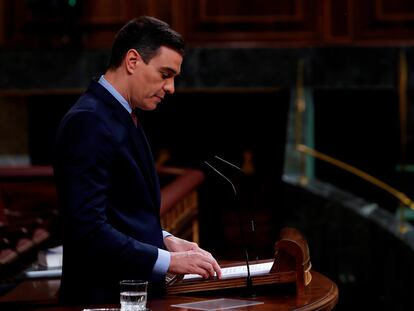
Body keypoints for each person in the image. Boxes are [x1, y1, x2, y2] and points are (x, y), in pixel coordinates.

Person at [53, 16, 221, 306]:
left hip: (129, 295)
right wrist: (167, 261)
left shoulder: (121, 112)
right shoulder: (88, 121)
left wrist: (164, 238)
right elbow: (88, 230)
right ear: (132, 60)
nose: (170, 88)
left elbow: (122, 209)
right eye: (164, 74)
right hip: (102, 299)